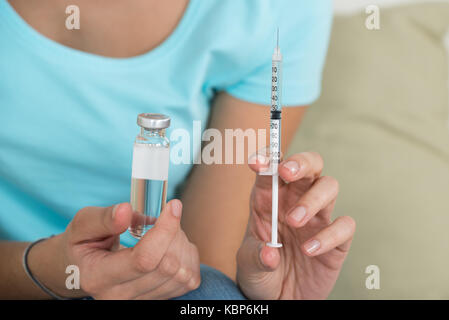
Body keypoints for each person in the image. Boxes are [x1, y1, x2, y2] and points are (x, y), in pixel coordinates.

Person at [0, 0, 355, 299]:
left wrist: (257, 293)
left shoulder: (276, 11)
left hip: (133, 283)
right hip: (19, 272)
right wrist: (50, 268)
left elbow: (206, 264)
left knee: (214, 293)